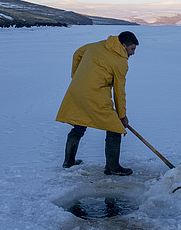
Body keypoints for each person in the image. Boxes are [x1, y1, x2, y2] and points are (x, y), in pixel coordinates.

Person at [55, 31, 139, 176]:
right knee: (116, 128)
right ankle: (112, 167)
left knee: (80, 122)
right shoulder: (120, 61)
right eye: (132, 49)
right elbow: (119, 91)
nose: (133, 53)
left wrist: (76, 76)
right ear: (124, 45)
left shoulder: (99, 45)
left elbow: (77, 54)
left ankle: (68, 161)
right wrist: (122, 116)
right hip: (94, 94)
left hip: (77, 90)